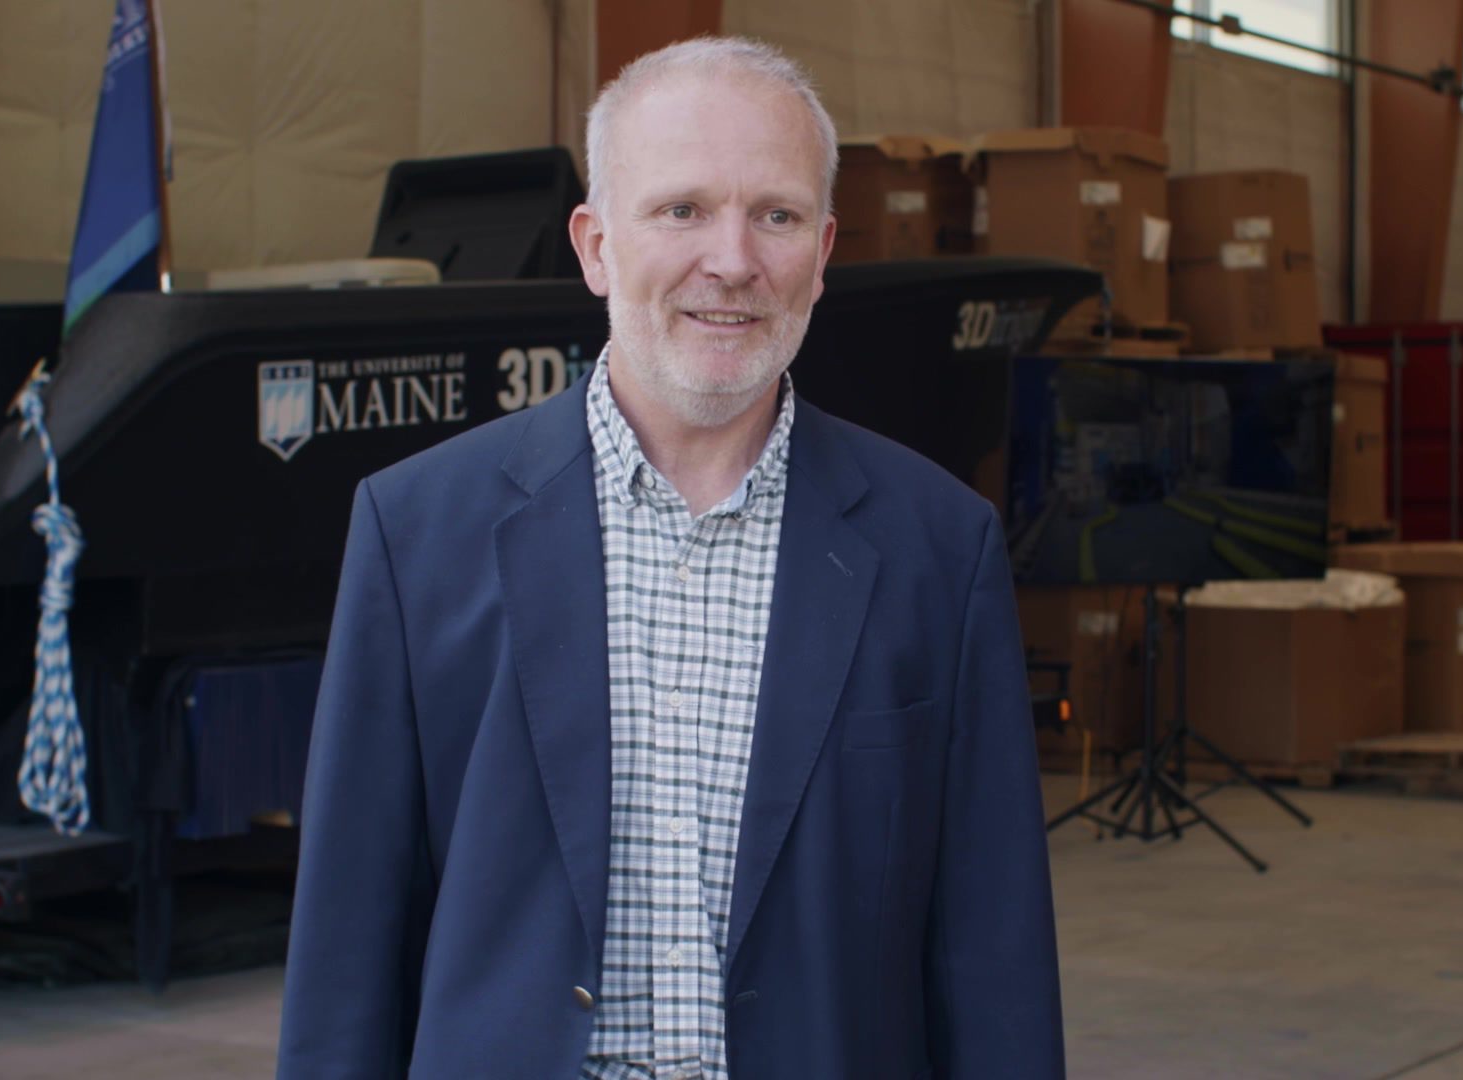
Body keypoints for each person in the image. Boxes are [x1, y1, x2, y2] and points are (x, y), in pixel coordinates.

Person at [277, 35, 1063, 1079]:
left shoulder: (938, 548)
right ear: (596, 245)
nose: (733, 260)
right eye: (681, 209)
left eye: (774, 215)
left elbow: (992, 951)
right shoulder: (417, 533)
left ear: (823, 253)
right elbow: (348, 942)